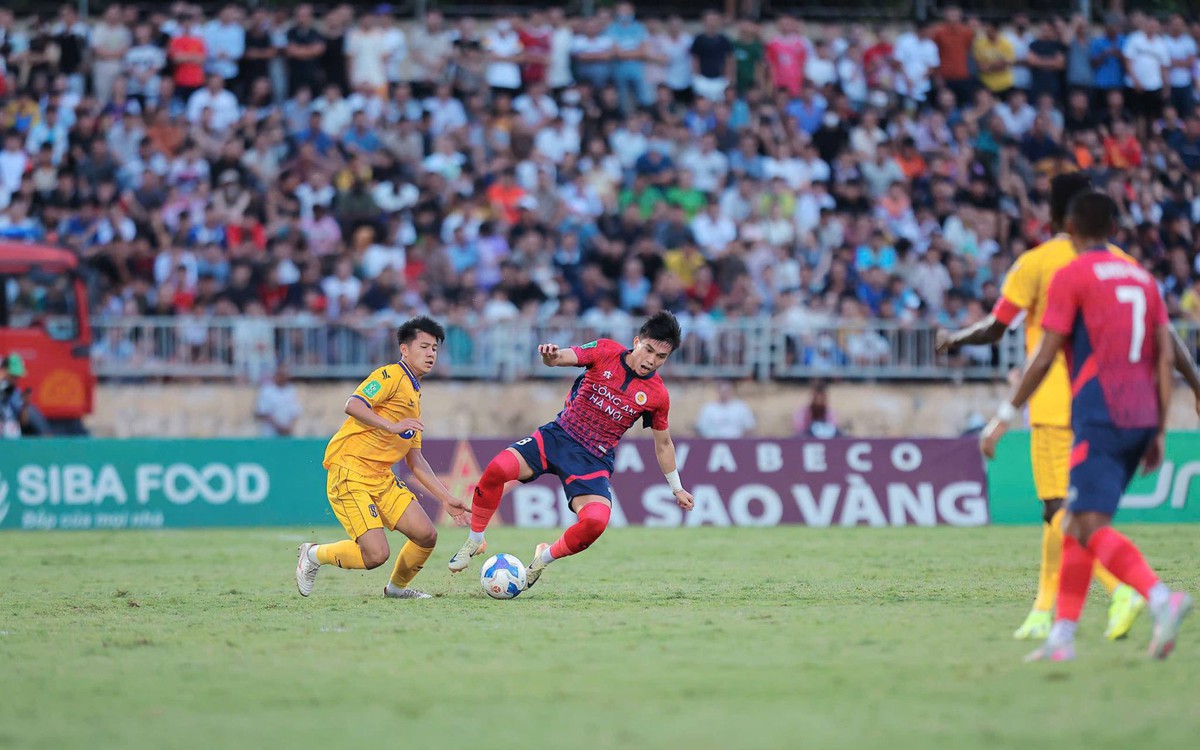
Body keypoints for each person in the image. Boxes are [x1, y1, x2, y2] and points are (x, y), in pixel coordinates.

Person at [938, 172, 1200, 642]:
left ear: (1055, 216)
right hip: (1117, 407)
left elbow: (999, 328)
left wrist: (954, 341)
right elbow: (1168, 338)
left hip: (1059, 405)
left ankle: (1125, 589)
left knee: (1063, 511)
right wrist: (1196, 384)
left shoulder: (1039, 263)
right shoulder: (1123, 263)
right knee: (1055, 510)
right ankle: (1046, 611)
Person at [447, 312, 695, 589]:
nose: (651, 360)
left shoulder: (657, 395)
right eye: (648, 349)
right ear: (637, 341)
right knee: (497, 469)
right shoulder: (605, 350)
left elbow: (663, 444)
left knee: (597, 522)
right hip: (558, 436)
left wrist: (677, 488)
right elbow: (561, 358)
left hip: (592, 460)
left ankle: (542, 559)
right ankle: (475, 540)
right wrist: (549, 355)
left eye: (661, 357)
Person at [294, 317, 470, 599]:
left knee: (426, 535)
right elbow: (353, 404)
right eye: (424, 346)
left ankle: (396, 590)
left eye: (435, 349)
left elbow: (415, 459)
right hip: (350, 470)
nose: (430, 354)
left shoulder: (413, 393)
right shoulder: (389, 376)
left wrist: (446, 498)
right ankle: (313, 554)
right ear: (404, 349)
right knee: (376, 554)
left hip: (381, 477)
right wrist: (390, 425)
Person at [254, 366, 302, 437]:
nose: (282, 377)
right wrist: (279, 428)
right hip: (270, 434)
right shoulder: (266, 390)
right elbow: (264, 412)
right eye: (280, 375)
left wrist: (289, 427)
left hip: (287, 434)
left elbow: (295, 412)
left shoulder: (291, 390)